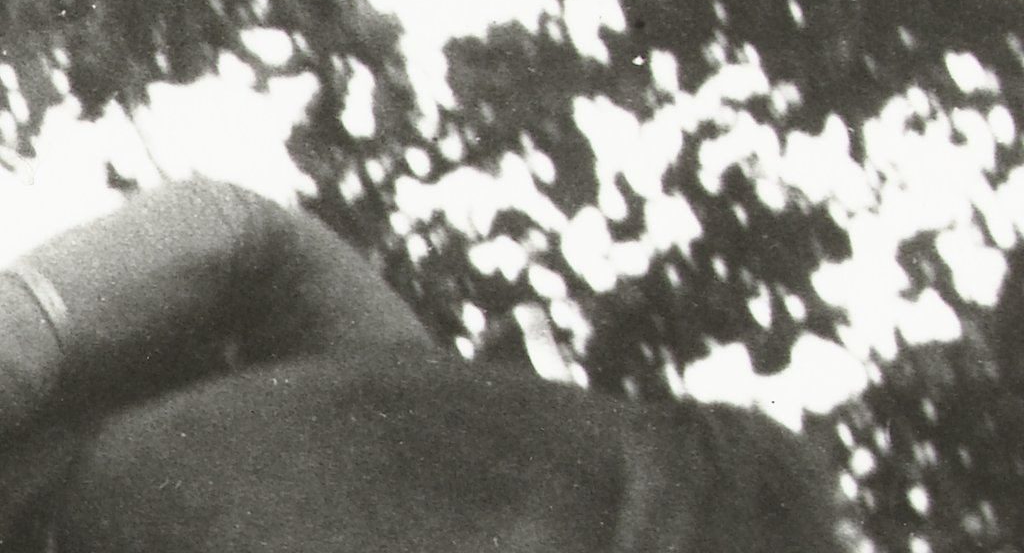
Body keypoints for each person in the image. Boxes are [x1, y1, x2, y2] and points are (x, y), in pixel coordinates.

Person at [0, 178, 846, 552]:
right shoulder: (394, 388)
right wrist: (28, 329)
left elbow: (248, 236)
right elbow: (243, 235)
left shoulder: (402, 391)